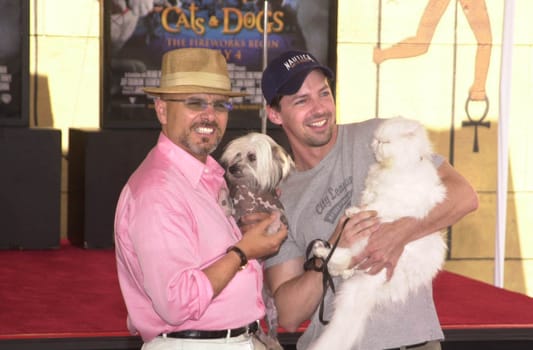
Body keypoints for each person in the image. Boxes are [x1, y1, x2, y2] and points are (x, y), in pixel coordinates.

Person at [255, 50, 479, 349]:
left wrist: (398, 234)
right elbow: (290, 314)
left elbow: (464, 196)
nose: (319, 108)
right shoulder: (281, 196)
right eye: (301, 100)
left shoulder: (378, 137)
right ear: (275, 114)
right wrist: (331, 249)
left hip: (411, 343)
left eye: (324, 93)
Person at [114, 48, 288, 350]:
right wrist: (243, 252)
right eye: (195, 102)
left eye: (220, 104)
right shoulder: (158, 191)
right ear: (162, 110)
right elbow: (177, 302)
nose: (210, 115)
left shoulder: (210, 177)